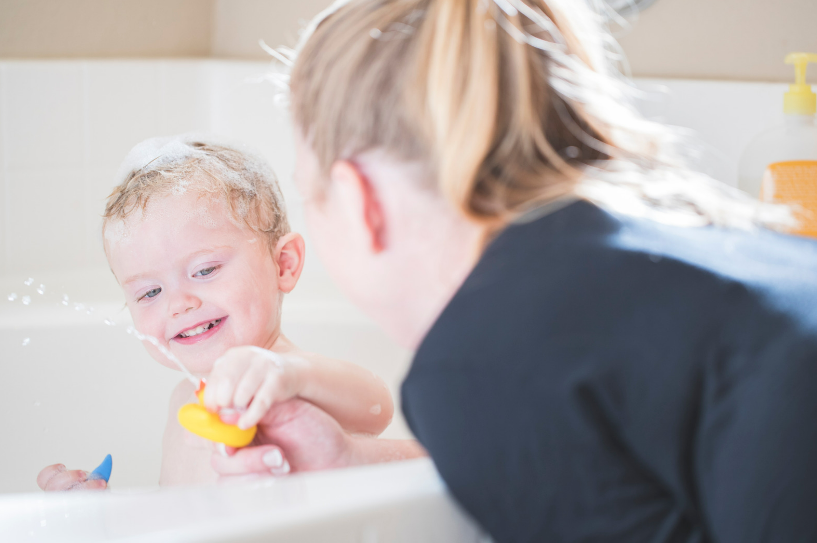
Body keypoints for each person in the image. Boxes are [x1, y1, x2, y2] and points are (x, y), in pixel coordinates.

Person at [212, 1, 817, 542]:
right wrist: (348, 463)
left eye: (308, 195)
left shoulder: (477, 357)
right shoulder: (699, 244)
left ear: (358, 200)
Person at [35, 134, 396, 491]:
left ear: (283, 264)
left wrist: (290, 374)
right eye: (150, 292)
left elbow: (377, 406)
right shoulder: (182, 398)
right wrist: (96, 514)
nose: (179, 304)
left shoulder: (287, 377)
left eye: (205, 270)